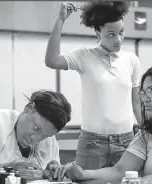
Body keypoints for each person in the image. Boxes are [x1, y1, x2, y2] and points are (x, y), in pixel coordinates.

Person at [45, 1, 142, 170]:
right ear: (98, 32)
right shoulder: (84, 56)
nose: (118, 40)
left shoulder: (131, 60)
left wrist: (147, 131)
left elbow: (135, 103)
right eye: (111, 34)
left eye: (121, 33)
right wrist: (61, 19)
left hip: (126, 141)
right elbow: (51, 61)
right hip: (92, 143)